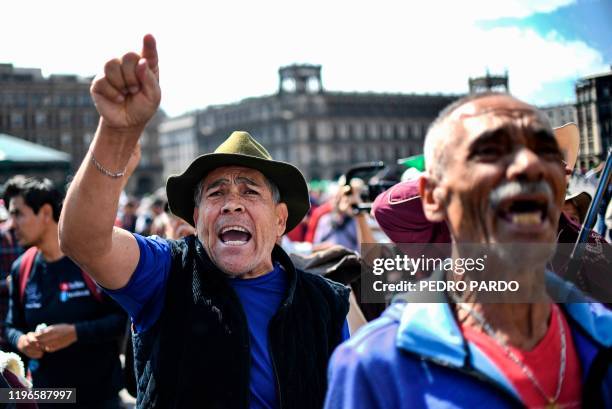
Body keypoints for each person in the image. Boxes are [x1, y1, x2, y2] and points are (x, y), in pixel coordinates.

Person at [58, 34, 350, 409]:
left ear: (280, 220)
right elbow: (83, 240)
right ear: (196, 217)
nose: (231, 204)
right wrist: (116, 134)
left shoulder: (325, 302)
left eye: (249, 191)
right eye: (215, 193)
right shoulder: (166, 273)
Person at [325, 93, 612, 409]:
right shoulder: (374, 365)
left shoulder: (601, 335)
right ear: (432, 197)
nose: (530, 166)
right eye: (492, 153)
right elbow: (387, 208)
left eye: (546, 154)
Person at [3, 177, 126, 408]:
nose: (11, 224)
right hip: (45, 397)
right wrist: (22, 340)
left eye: (18, 214)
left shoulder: (89, 259)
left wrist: (76, 333)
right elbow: (10, 326)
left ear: (46, 212)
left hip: (99, 398)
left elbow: (122, 320)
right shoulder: (22, 267)